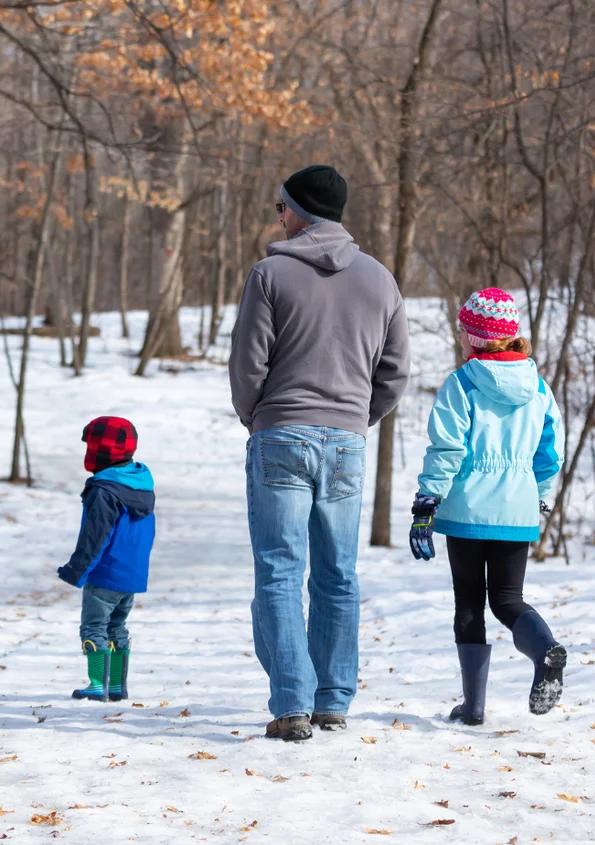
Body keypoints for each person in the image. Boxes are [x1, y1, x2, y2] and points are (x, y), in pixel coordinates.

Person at [229, 165, 411, 742]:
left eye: (280, 207)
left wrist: (260, 419)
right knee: (337, 574)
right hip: (347, 442)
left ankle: (291, 705)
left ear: (298, 210)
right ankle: (333, 700)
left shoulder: (269, 274)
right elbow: (395, 372)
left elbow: (247, 366)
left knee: (281, 571)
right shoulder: (381, 280)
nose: (275, 216)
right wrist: (357, 418)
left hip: (281, 432)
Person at [410, 287, 566, 726]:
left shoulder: (461, 383)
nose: (459, 338)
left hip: (466, 511)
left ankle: (474, 706)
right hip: (517, 510)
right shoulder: (538, 388)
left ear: (477, 338)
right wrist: (539, 500)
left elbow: (447, 449)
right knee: (507, 599)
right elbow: (550, 452)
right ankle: (545, 650)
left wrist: (426, 504)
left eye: (463, 331)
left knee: (468, 605)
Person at [56, 417, 156, 703]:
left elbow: (95, 536)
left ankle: (97, 685)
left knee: (94, 627)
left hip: (105, 572)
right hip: (131, 575)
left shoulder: (104, 490)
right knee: (117, 627)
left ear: (100, 451)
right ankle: (116, 687)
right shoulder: (141, 484)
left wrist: (76, 569)